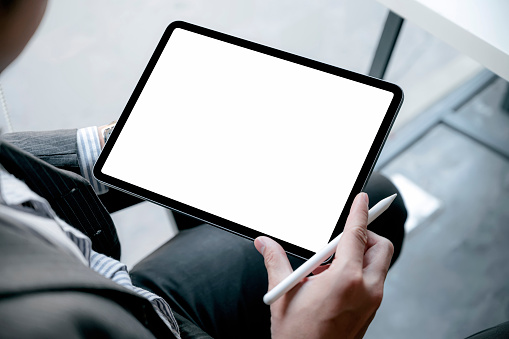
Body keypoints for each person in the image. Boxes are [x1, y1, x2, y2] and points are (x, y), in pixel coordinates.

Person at [0, 1, 413, 338]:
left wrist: (119, 144)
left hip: (113, 286)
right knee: (361, 220)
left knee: (363, 196)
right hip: (122, 321)